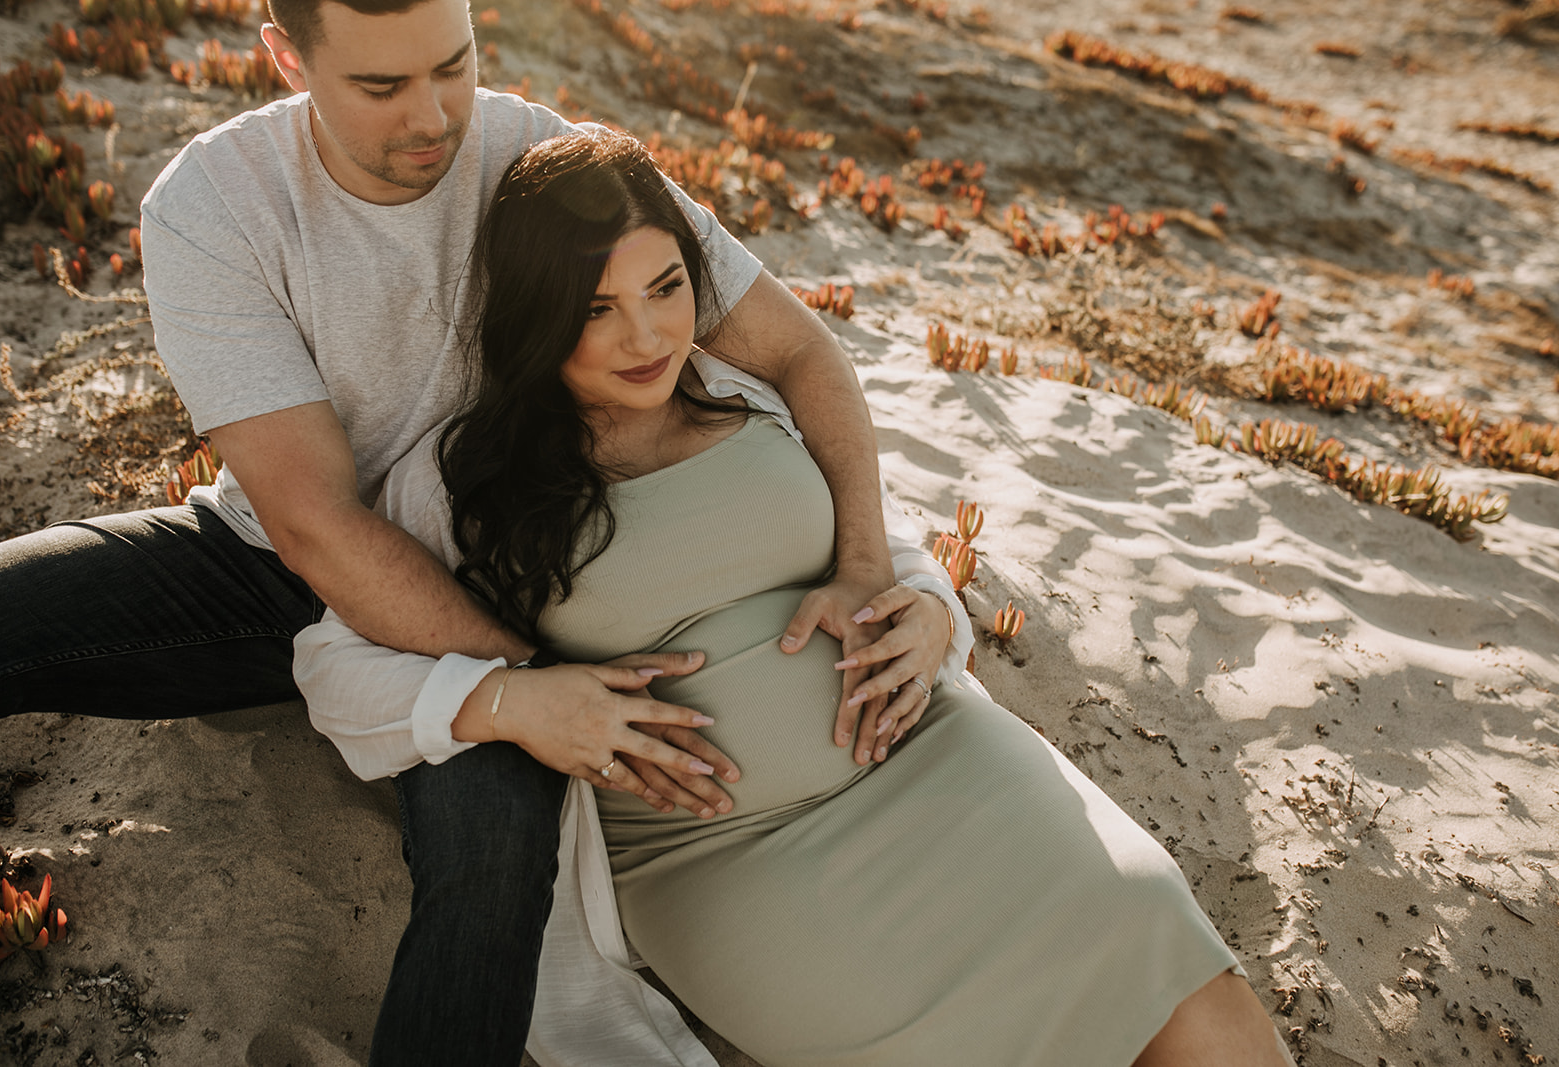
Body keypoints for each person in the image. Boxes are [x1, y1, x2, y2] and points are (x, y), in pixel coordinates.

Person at [0, 0, 927, 1060]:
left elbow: (800, 352)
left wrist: (872, 564)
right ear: (287, 58)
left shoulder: (546, 160)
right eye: (381, 88)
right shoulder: (212, 205)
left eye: (453, 66)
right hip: (280, 566)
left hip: (517, 567)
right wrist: (515, 686)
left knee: (494, 852)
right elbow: (313, 520)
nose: (433, 117)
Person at [298, 128, 1294, 1066]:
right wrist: (519, 704)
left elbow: (888, 546)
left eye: (667, 286)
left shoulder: (749, 391)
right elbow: (335, 660)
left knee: (1155, 938)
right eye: (594, 309)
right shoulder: (465, 483)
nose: (645, 334)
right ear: (532, 312)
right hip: (729, 858)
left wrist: (926, 607)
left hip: (945, 764)